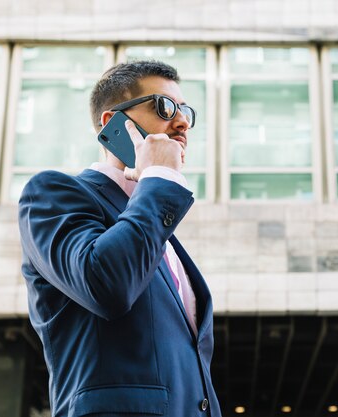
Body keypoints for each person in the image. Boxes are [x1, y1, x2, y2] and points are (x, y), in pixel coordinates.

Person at [18, 61, 221, 417]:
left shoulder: (158, 224)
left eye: (186, 111)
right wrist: (158, 176)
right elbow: (106, 285)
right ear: (113, 123)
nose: (183, 122)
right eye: (164, 107)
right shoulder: (52, 194)